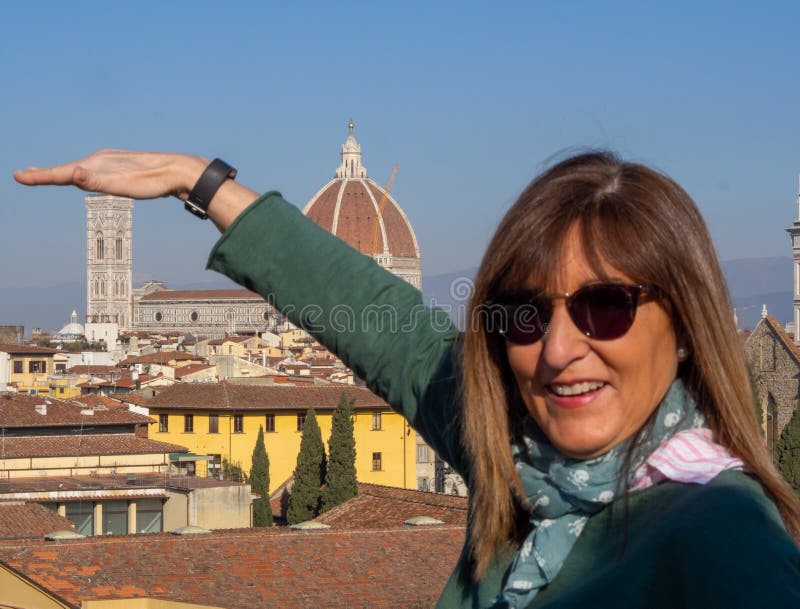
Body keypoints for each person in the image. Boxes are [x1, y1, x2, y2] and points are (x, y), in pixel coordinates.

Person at [14, 149, 800, 608]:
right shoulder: (516, 461)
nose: (559, 348)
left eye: (606, 306)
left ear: (688, 325)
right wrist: (201, 179)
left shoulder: (724, 533)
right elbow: (374, 316)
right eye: (524, 313)